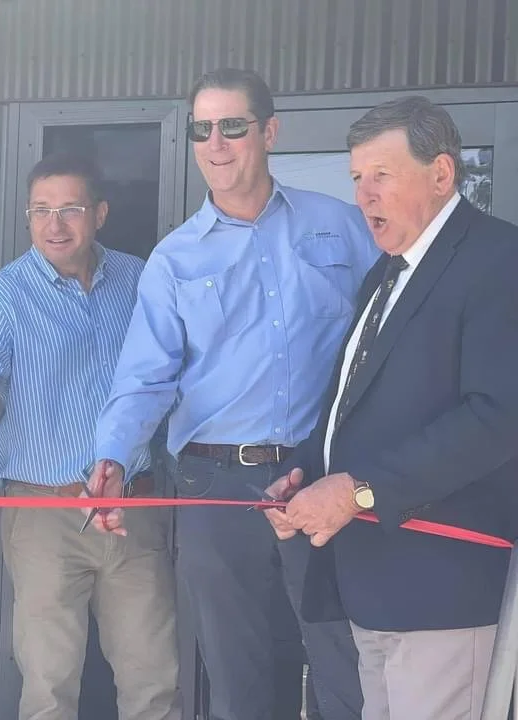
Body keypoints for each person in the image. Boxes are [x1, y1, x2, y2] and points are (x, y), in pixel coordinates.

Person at [92, 68, 380, 720]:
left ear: (269, 132)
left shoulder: (341, 226)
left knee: (345, 674)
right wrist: (111, 457)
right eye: (201, 129)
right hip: (215, 490)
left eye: (232, 126)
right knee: (241, 687)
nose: (215, 144)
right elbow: (144, 379)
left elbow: (387, 337)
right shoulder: (174, 259)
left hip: (323, 479)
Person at [262, 96, 518, 720]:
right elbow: (353, 402)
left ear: (441, 174)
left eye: (382, 175)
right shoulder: (385, 274)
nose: (364, 196)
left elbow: (497, 417)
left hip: (441, 587)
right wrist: (306, 470)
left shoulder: (497, 260)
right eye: (356, 178)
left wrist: (361, 491)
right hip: (370, 581)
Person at [0, 152, 182, 720]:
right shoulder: (5, 296)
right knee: (49, 687)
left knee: (152, 680)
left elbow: (177, 372)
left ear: (100, 213)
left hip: (135, 505)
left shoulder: (140, 280)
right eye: (41, 210)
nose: (54, 224)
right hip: (42, 514)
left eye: (70, 209)